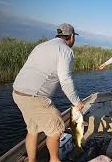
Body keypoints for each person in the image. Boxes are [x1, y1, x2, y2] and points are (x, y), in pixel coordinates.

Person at [12, 23, 84, 162]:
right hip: (35, 97)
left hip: (18, 93)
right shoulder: (65, 50)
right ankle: (54, 159)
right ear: (72, 36)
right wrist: (76, 102)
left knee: (33, 130)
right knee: (57, 128)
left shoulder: (41, 46)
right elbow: (65, 79)